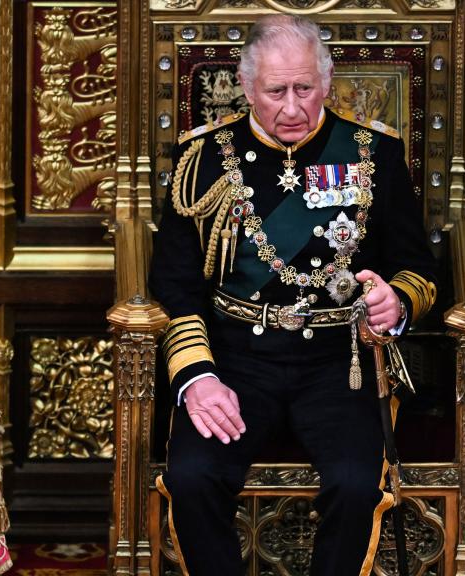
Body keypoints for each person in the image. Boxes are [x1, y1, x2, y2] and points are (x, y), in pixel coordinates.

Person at [148, 14, 437, 576]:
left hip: (339, 361)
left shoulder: (375, 155)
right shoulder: (204, 159)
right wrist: (198, 377)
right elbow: (175, 282)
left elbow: (418, 270)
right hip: (233, 360)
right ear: (247, 86)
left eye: (304, 89)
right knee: (191, 477)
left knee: (356, 486)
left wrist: (395, 303)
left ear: (327, 84)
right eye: (275, 91)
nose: (291, 107)